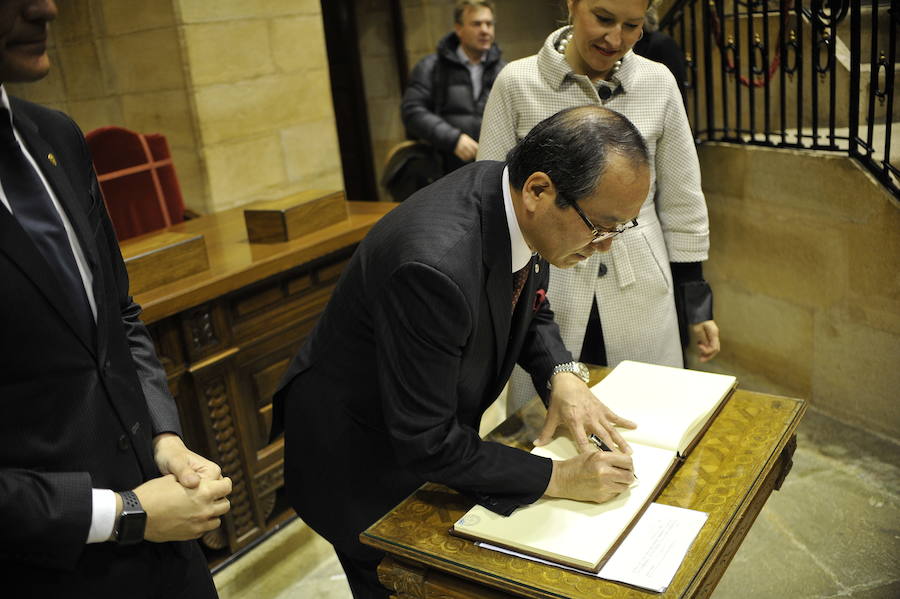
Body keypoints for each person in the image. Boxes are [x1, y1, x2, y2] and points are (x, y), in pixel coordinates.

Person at [273, 105, 650, 599]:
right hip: (358, 458)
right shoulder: (434, 267)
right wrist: (557, 476)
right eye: (601, 226)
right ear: (540, 190)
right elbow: (427, 441)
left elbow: (527, 303)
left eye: (621, 228)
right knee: (400, 584)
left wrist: (561, 373)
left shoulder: (509, 196)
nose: (605, 246)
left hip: (413, 428)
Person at [0, 2, 232, 597]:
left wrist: (165, 438)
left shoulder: (54, 135)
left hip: (163, 542)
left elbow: (118, 315)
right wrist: (121, 513)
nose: (46, 6)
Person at [477, 0, 721, 415]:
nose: (615, 39)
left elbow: (682, 197)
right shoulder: (517, 82)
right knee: (549, 426)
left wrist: (695, 303)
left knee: (650, 418)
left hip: (640, 285)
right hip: (547, 289)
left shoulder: (657, 82)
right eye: (603, 19)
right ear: (572, 5)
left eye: (632, 25)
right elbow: (492, 199)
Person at [400, 0, 504, 176]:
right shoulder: (431, 67)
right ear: (459, 28)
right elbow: (412, 111)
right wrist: (453, 139)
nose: (485, 30)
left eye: (489, 24)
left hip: (489, 172)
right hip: (444, 169)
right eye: (477, 24)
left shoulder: (504, 71)